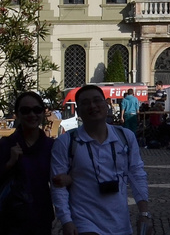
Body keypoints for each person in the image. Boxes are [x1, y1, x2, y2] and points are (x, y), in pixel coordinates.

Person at [51, 84, 150, 235]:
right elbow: (58, 185)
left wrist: (144, 213)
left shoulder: (125, 137)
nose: (92, 106)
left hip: (121, 225)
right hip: (84, 223)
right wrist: (66, 221)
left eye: (97, 100)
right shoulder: (66, 142)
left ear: (106, 105)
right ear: (78, 111)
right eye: (85, 103)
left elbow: (137, 174)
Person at [0, 90, 58, 235]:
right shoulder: (6, 144)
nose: (32, 115)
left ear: (43, 113)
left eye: (37, 110)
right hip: (10, 220)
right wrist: (9, 164)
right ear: (17, 113)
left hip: (40, 218)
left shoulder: (50, 146)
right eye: (25, 110)